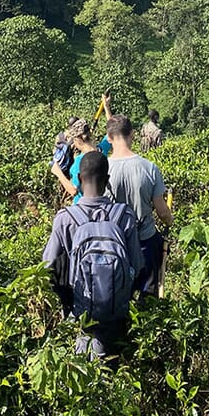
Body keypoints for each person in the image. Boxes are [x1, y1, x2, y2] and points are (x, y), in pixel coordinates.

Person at [43, 151, 143, 360]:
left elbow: (47, 265)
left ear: (79, 179)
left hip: (82, 312)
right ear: (107, 180)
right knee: (118, 365)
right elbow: (137, 264)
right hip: (118, 312)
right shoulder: (124, 215)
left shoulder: (65, 219)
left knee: (84, 367)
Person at [105, 114, 173, 297]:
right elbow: (162, 212)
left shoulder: (103, 169)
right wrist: (170, 221)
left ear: (109, 138)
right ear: (132, 134)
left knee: (119, 296)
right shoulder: (149, 168)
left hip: (115, 243)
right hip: (145, 241)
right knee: (148, 298)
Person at [51, 118, 100, 203]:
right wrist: (107, 110)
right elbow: (112, 133)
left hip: (81, 205)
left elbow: (73, 190)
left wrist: (58, 172)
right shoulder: (101, 151)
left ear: (77, 140)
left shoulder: (80, 162)